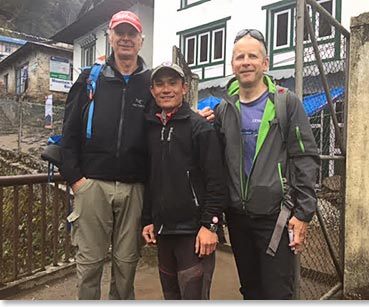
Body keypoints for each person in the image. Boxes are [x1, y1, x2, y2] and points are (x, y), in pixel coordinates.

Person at [213, 29, 320, 299]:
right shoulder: (224, 109)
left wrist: (304, 213)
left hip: (277, 217)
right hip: (238, 218)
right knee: (250, 290)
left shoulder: (286, 103)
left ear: (265, 63)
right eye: (239, 57)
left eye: (252, 56)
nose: (245, 62)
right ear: (232, 65)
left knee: (278, 293)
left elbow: (305, 157)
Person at [60, 11, 151, 299]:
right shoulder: (90, 79)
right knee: (89, 265)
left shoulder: (150, 84)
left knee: (126, 266)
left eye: (131, 33)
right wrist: (77, 180)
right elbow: (69, 132)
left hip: (135, 187)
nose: (125, 38)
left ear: (141, 40)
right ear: (110, 37)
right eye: (120, 32)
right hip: (92, 185)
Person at [141, 62, 226, 300]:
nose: (166, 89)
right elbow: (151, 177)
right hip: (164, 233)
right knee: (171, 298)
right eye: (159, 84)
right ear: (152, 91)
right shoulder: (151, 129)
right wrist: (148, 219)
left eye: (172, 83)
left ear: (184, 88)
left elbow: (216, 181)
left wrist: (210, 225)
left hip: (195, 234)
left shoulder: (200, 128)